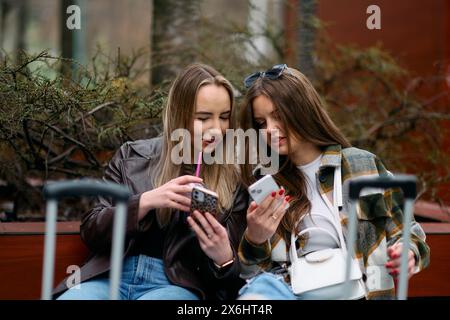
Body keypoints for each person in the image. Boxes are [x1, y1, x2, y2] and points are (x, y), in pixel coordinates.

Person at [236, 64, 430, 300]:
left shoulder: (361, 166)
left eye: (278, 116)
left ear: (302, 110)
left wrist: (407, 253)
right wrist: (255, 238)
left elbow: (409, 232)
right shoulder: (267, 183)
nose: (270, 129)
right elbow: (252, 274)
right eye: (261, 123)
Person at [55, 63, 248, 300]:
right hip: (109, 276)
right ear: (179, 113)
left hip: (174, 286)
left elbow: (232, 285)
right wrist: (144, 202)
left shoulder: (233, 183)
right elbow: (92, 231)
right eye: (203, 117)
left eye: (224, 117)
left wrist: (223, 259)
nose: (216, 129)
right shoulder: (132, 157)